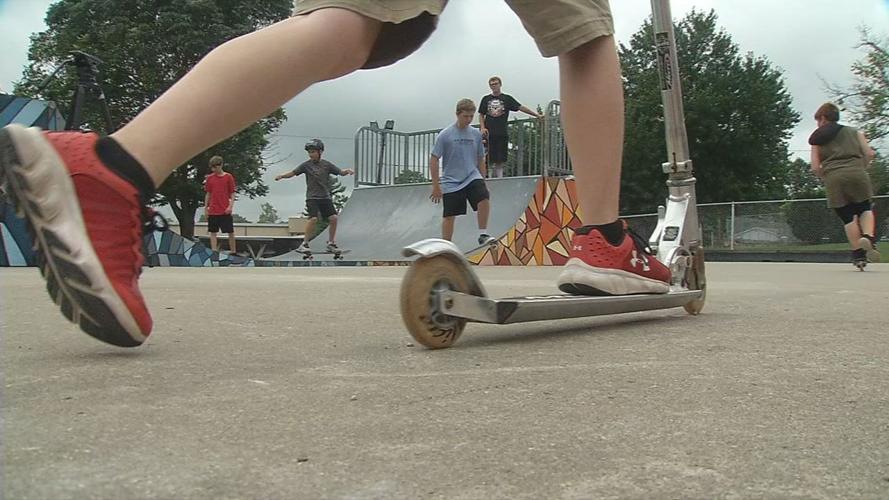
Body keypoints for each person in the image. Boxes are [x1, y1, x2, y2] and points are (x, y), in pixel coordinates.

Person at [0, 0, 670, 348]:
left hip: (462, 173)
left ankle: (115, 166)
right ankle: (603, 238)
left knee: (354, 27)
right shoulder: (450, 132)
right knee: (583, 34)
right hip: (454, 178)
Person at [809, 102, 880, 265]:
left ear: (823, 118)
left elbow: (815, 167)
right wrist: (863, 166)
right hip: (857, 172)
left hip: (833, 177)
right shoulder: (855, 132)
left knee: (847, 217)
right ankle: (868, 237)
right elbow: (869, 153)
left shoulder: (816, 140)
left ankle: (858, 255)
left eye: (818, 120)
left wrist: (826, 176)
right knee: (865, 208)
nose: (818, 124)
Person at [430, 98, 496, 246]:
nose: (468, 120)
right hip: (451, 180)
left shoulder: (475, 134)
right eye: (465, 116)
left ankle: (483, 234)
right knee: (449, 216)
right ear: (457, 114)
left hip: (472, 176)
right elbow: (434, 159)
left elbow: (480, 158)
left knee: (484, 197)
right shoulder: (445, 135)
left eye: (471, 116)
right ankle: (446, 246)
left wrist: (483, 180)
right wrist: (436, 186)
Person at [274, 139, 353, 253]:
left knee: (334, 218)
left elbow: (340, 172)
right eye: (309, 152)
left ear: (320, 152)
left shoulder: (326, 165)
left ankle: (331, 243)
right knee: (313, 219)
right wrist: (282, 176)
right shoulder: (306, 165)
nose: (311, 155)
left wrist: (348, 171)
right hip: (312, 197)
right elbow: (292, 173)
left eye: (313, 152)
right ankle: (304, 244)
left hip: (325, 197)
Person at [478, 76, 542, 178]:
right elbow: (481, 114)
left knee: (500, 158)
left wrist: (536, 115)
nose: (494, 86)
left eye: (496, 84)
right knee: (488, 157)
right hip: (488, 133)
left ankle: (499, 178)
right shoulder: (486, 99)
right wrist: (482, 127)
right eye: (492, 84)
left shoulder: (506, 98)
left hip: (501, 132)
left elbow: (520, 107)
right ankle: (487, 178)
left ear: (500, 84)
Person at [203, 155, 237, 254]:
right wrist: (206, 208)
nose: (214, 169)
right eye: (212, 167)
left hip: (224, 209)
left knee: (230, 231)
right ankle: (214, 251)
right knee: (213, 231)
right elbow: (208, 193)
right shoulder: (210, 178)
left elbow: (232, 192)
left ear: (221, 165)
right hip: (213, 209)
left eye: (216, 167)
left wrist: (230, 206)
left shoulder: (228, 177)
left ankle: (233, 251)